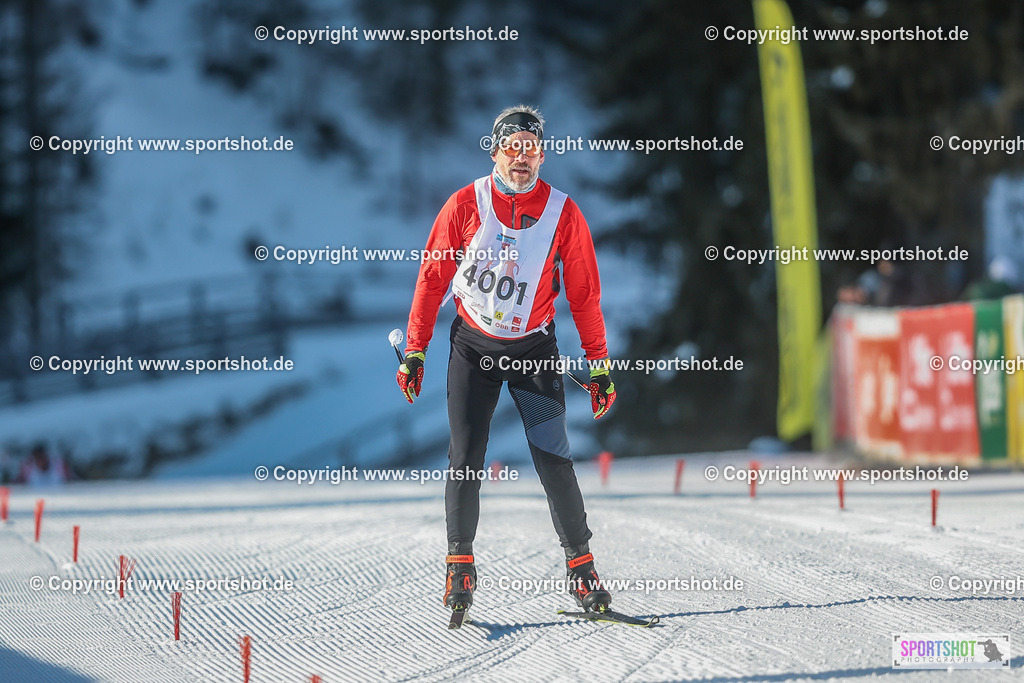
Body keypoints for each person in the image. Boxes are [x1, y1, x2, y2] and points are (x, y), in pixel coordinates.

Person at [397, 105, 616, 615]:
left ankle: (581, 568)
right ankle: (459, 566)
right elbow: (432, 281)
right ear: (495, 151)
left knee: (554, 459)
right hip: (473, 348)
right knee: (466, 457)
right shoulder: (464, 204)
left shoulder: (564, 212)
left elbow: (584, 294)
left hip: (534, 351)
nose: (522, 159)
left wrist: (599, 363)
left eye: (531, 148)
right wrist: (414, 350)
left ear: (542, 155)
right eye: (512, 148)